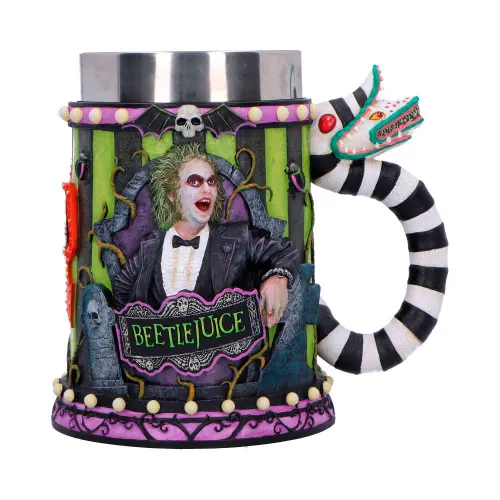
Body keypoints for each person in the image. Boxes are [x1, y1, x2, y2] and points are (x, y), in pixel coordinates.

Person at [114, 143, 299, 327]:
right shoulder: (149, 247)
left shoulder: (238, 238)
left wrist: (278, 277)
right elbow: (121, 291)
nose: (206, 189)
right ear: (172, 194)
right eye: (195, 182)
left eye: (211, 182)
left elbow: (283, 252)